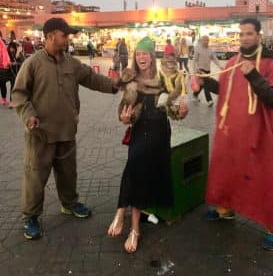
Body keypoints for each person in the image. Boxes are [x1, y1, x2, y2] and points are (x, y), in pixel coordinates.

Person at [12, 18, 120, 240]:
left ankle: (69, 203)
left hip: (67, 132)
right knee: (35, 177)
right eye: (65, 35)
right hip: (40, 134)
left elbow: (91, 78)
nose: (68, 39)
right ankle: (31, 217)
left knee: (68, 173)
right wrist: (29, 115)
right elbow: (19, 94)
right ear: (51, 36)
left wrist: (114, 85)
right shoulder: (32, 63)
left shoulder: (70, 62)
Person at [198, 18, 273, 251]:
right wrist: (204, 83)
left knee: (264, 179)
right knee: (227, 171)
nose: (245, 38)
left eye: (249, 33)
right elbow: (224, 89)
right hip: (231, 135)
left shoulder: (272, 65)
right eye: (242, 34)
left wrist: (255, 76)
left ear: (259, 36)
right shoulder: (233, 61)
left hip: (258, 136)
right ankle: (225, 209)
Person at [107, 36, 188, 253]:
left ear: (152, 56)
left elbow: (171, 111)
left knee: (140, 174)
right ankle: (125, 217)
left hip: (160, 133)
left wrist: (181, 112)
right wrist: (125, 118)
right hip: (140, 132)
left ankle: (128, 220)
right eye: (138, 54)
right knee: (135, 165)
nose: (142, 57)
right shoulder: (131, 81)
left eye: (146, 53)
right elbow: (123, 114)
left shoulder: (163, 79)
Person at [193, 35, 223, 106]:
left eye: (207, 40)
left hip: (207, 71)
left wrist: (220, 66)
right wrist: (196, 69)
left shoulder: (210, 50)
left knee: (202, 85)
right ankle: (209, 100)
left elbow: (215, 59)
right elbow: (194, 60)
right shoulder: (198, 49)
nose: (206, 42)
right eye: (204, 40)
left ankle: (195, 94)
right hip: (200, 70)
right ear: (201, 41)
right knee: (206, 84)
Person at [0, 34, 10, 106]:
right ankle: (3, 99)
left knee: (2, 84)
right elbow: (4, 55)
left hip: (2, 67)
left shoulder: (2, 44)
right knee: (2, 84)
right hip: (2, 68)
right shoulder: (2, 44)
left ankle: (3, 99)